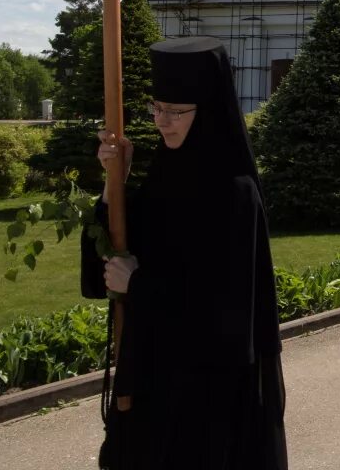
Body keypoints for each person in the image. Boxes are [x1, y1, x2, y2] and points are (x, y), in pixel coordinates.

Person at [82, 36, 288, 470]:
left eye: (175, 112)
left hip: (207, 394)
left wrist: (137, 284)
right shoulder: (163, 174)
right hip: (154, 371)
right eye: (156, 108)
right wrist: (113, 181)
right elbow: (114, 252)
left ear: (207, 110)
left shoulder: (235, 193)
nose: (161, 122)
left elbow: (226, 310)